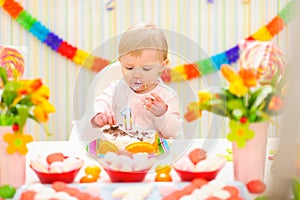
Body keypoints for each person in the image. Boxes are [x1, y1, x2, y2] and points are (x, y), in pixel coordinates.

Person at [90, 22, 181, 140]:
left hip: (154, 155)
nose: (136, 74)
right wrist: (99, 115)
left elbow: (174, 133)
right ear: (121, 62)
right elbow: (101, 102)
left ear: (162, 66)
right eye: (129, 68)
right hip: (121, 151)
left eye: (146, 69)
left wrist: (162, 115)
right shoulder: (118, 88)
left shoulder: (167, 95)